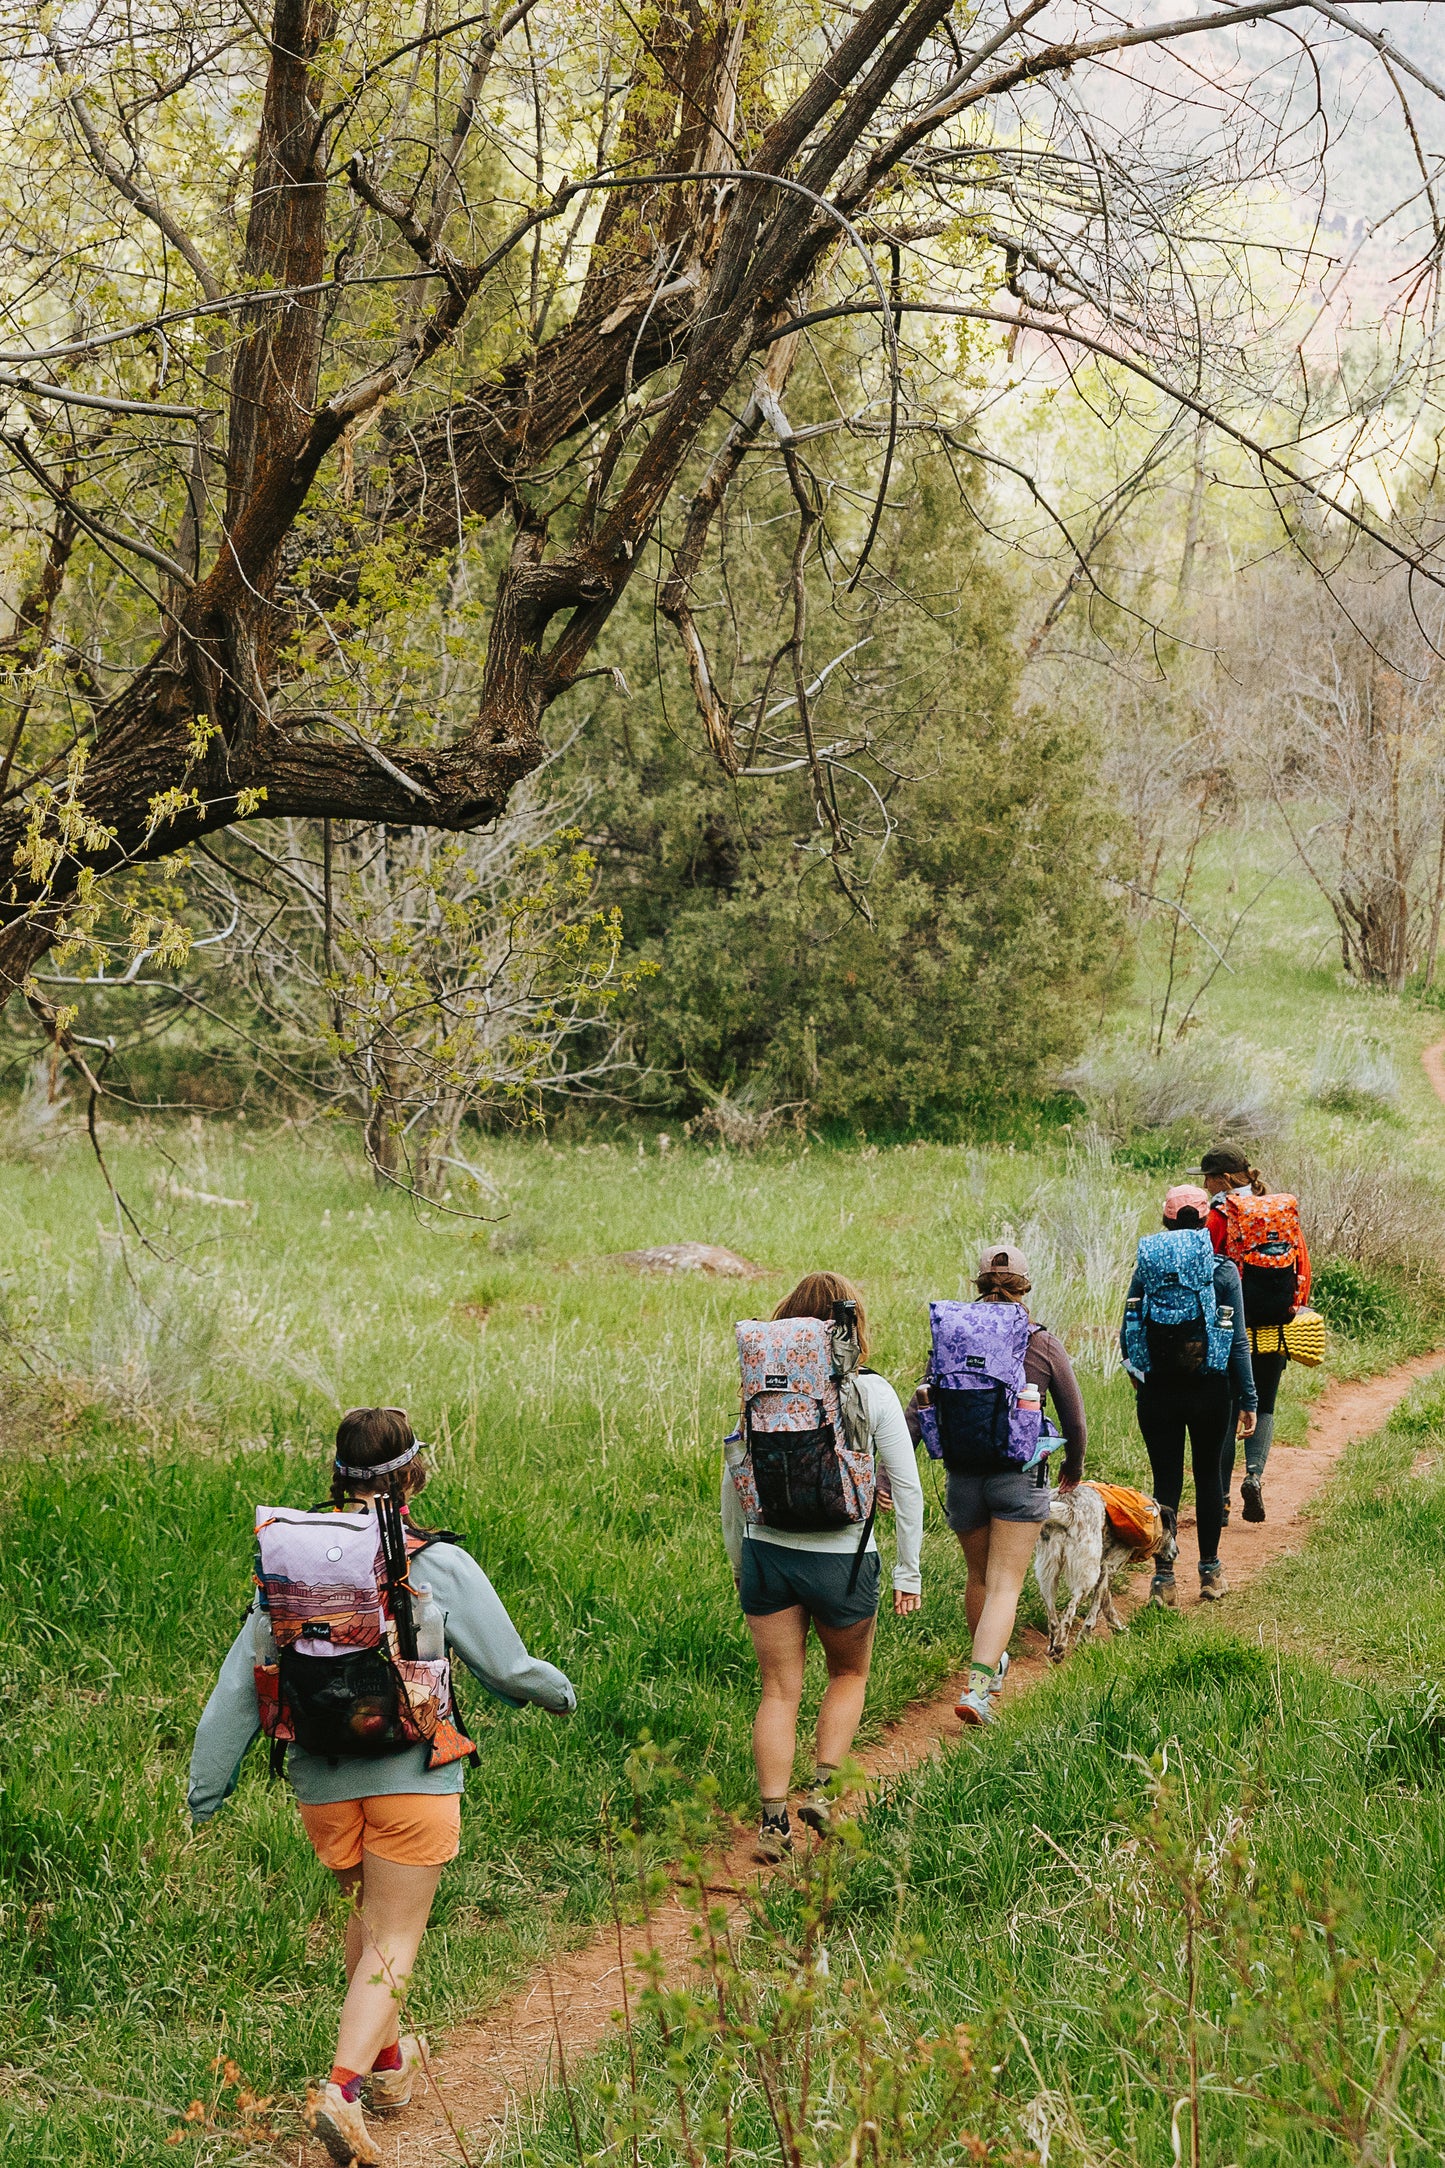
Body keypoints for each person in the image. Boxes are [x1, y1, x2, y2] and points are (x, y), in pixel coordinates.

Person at [189, 1408, 576, 2168]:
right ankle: (340, 2090)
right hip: (412, 1774)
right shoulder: (431, 1561)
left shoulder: (291, 1561)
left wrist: (209, 1786)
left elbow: (241, 1681)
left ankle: (389, 2072)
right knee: (396, 1937)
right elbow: (507, 1667)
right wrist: (557, 1692)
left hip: (320, 1781)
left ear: (337, 1472)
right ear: (412, 1471)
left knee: (369, 1922)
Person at [722, 1272, 923, 1863]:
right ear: (848, 1327)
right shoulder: (871, 1391)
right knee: (849, 1676)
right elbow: (906, 1488)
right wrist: (908, 1571)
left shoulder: (759, 1392)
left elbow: (733, 1487)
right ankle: (825, 1791)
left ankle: (772, 1821)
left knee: (779, 1691)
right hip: (846, 1558)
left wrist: (741, 1561)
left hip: (767, 1555)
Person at [922, 1244, 1087, 1727]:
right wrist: (1073, 1467)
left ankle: (990, 1668)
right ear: (1025, 1286)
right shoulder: (1041, 1341)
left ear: (978, 1285)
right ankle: (977, 1690)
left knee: (979, 1578)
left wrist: (890, 1470)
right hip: (1019, 1478)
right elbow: (1074, 1420)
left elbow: (922, 1405)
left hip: (962, 1475)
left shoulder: (950, 1334)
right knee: (1005, 1587)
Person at [1122, 1187, 1257, 1603]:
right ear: (1204, 1225)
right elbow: (1236, 1342)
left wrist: (1139, 1374)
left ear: (1165, 1223)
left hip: (1158, 1388)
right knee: (1208, 1476)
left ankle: (1164, 1578)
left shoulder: (1148, 1266)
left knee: (1166, 1481)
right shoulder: (1222, 1270)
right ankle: (1210, 1572)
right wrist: (1248, 1398)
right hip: (1210, 1388)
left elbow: (1127, 1328)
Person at [1200, 1143, 1312, 1525]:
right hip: (1277, 1323)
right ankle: (1254, 1476)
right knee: (1263, 1405)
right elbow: (1303, 1267)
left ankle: (1224, 1499)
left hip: (1232, 1328)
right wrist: (1292, 1308)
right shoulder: (1279, 1211)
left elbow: (1207, 1270)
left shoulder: (1220, 1216)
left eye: (1208, 1177)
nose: (1204, 1184)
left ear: (1223, 1179)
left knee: (1229, 1410)